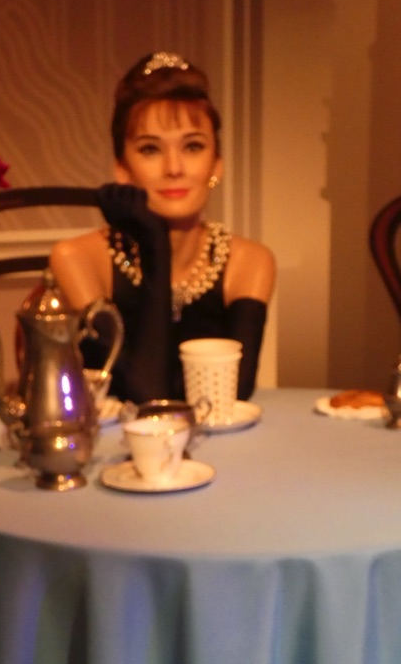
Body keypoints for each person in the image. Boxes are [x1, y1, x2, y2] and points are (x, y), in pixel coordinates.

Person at [50, 51, 276, 404]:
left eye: (193, 147)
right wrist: (155, 244)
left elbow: (233, 394)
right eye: (150, 150)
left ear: (216, 165)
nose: (174, 168)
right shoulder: (77, 257)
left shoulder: (250, 261)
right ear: (123, 169)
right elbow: (144, 393)